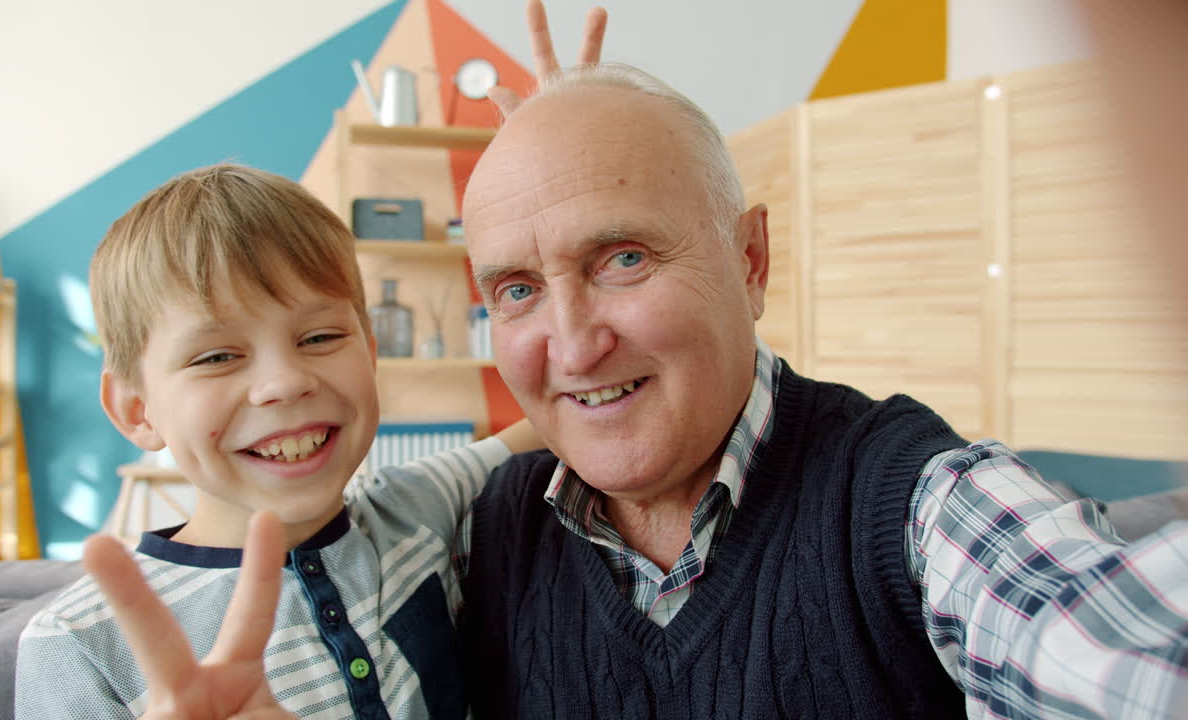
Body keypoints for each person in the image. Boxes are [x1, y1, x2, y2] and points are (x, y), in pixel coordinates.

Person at [452, 57, 1188, 719]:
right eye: (518, 288)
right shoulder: (484, 531)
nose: (575, 348)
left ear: (750, 261)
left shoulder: (909, 500)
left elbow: (1106, 651)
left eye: (623, 258)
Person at [14, 163, 543, 720]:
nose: (287, 381)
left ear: (370, 351)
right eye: (217, 356)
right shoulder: (76, 646)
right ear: (137, 409)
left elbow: (552, 425)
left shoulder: (419, 505)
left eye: (319, 337)